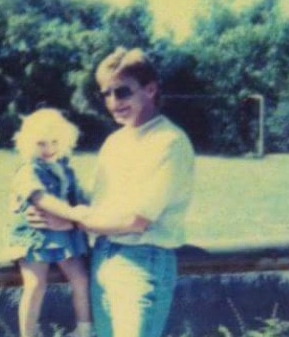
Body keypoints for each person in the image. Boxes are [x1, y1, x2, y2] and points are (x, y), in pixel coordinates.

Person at [28, 47, 195, 337]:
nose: (113, 102)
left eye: (122, 92)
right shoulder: (115, 142)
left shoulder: (169, 142)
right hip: (101, 257)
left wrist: (72, 221)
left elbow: (135, 220)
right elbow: (94, 203)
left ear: (150, 89)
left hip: (143, 262)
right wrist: (44, 207)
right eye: (105, 93)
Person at [8, 108, 93, 337]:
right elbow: (40, 198)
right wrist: (74, 214)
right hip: (35, 237)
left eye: (54, 142)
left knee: (81, 278)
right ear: (28, 144)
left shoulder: (66, 169)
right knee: (35, 284)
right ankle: (28, 333)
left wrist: (85, 208)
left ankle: (84, 329)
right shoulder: (27, 171)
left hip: (66, 238)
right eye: (41, 143)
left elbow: (83, 197)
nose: (49, 149)